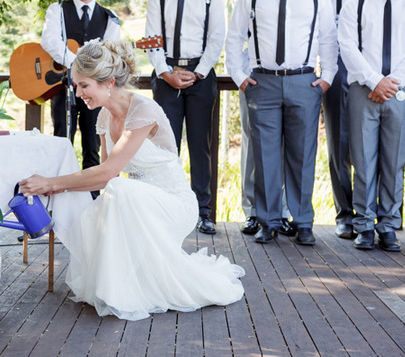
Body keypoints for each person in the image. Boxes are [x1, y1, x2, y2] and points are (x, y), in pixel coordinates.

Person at [19, 40, 244, 321]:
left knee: (118, 187)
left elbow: (108, 174)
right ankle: (118, 287)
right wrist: (58, 187)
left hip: (172, 203)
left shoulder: (143, 111)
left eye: (84, 86)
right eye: (76, 86)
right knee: (106, 199)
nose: (78, 94)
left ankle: (130, 289)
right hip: (136, 201)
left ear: (109, 82)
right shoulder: (103, 116)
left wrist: (50, 182)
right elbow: (101, 178)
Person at [225, 0, 338, 246]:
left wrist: (326, 77)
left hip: (305, 82)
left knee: (303, 155)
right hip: (264, 84)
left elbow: (328, 40)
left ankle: (303, 222)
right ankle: (268, 221)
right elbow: (235, 40)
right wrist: (241, 78)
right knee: (265, 155)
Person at [145, 0, 226, 235]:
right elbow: (151, 39)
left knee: (200, 146)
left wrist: (199, 72)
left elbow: (217, 37)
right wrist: (165, 72)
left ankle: (204, 212)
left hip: (200, 78)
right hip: (167, 75)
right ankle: (167, 209)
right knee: (166, 146)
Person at [337, 0, 405, 252]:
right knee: (363, 160)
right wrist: (374, 81)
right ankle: (364, 226)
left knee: (394, 161)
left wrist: (392, 82)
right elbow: (348, 47)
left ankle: (389, 225)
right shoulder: (356, 5)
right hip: (362, 91)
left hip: (400, 92)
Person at [41, 0, 121, 199]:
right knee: (61, 141)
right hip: (63, 86)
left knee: (92, 146)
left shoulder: (110, 17)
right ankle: (56, 200)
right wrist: (77, 64)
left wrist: (87, 72)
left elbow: (111, 52)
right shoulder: (57, 9)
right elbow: (50, 40)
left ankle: (92, 203)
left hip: (94, 94)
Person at [323, 0, 381, 240]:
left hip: (375, 76)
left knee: (373, 146)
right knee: (339, 146)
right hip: (340, 73)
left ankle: (372, 214)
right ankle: (345, 214)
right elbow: (323, 36)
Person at [238, 0, 295, 237]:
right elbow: (236, 40)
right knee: (252, 147)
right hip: (254, 82)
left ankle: (281, 211)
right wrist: (241, 76)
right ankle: (252, 211)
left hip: (286, 84)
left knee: (285, 148)